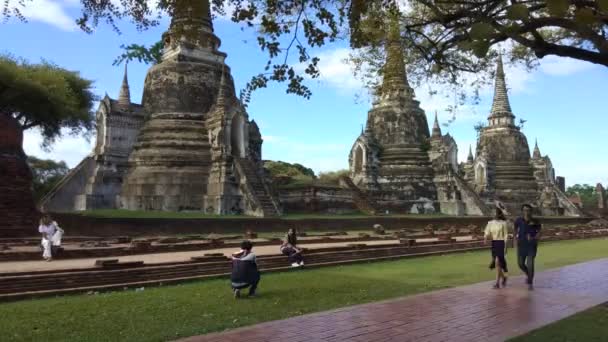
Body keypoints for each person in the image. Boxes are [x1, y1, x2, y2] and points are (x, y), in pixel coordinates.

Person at [514, 204, 542, 290]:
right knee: (521, 264)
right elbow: (515, 230)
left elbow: (539, 232)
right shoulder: (519, 220)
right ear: (522, 211)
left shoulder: (535, 221)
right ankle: (528, 274)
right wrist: (515, 240)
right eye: (525, 210)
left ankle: (530, 282)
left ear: (531, 211)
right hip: (521, 244)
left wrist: (534, 237)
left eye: (528, 210)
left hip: (531, 245)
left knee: (530, 264)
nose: (526, 212)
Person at [484, 207, 510, 289]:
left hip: (501, 243)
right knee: (497, 264)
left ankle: (497, 283)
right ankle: (504, 277)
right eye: (492, 213)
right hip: (494, 243)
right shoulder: (490, 223)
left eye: (495, 213)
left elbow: (506, 235)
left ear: (499, 214)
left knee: (497, 261)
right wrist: (485, 237)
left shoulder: (503, 223)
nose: (493, 214)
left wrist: (506, 247)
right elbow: (487, 232)